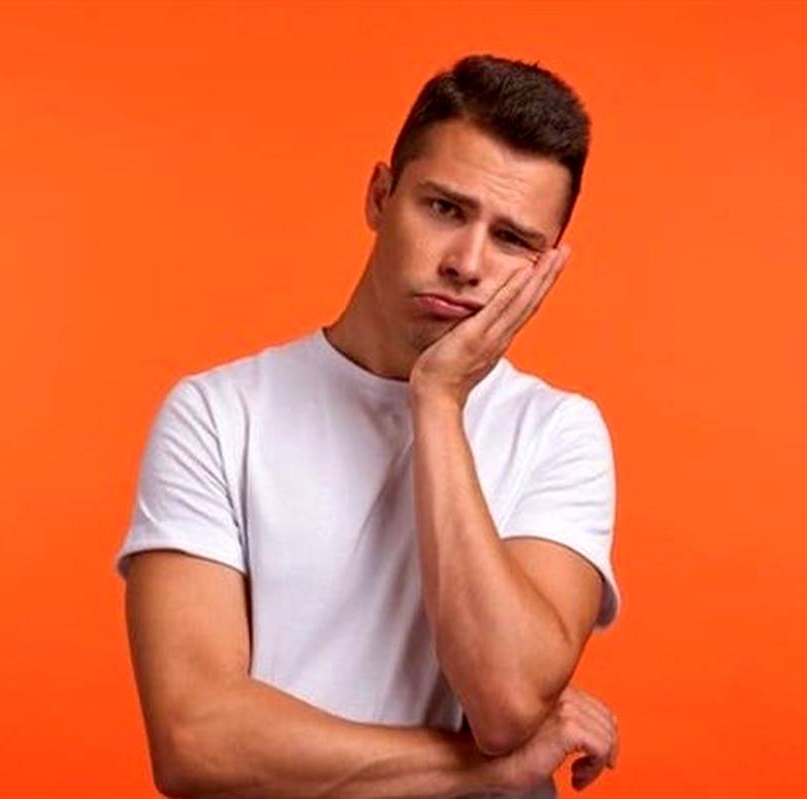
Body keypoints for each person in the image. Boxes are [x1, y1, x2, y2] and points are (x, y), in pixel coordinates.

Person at [114, 53, 622, 798]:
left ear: (546, 264)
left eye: (512, 239)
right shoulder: (219, 415)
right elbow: (195, 740)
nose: (467, 262)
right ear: (381, 195)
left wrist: (437, 401)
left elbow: (508, 701)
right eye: (444, 208)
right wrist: (486, 771)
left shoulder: (559, 433)